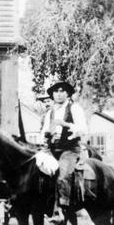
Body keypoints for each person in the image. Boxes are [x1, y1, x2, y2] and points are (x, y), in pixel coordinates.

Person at [41, 81, 89, 212]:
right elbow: (44, 131)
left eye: (62, 91)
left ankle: (63, 207)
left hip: (70, 148)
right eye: (56, 92)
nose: (59, 94)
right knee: (34, 168)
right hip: (52, 149)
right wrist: (46, 136)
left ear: (68, 93)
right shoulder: (50, 112)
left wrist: (65, 124)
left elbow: (83, 129)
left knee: (63, 174)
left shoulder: (74, 108)